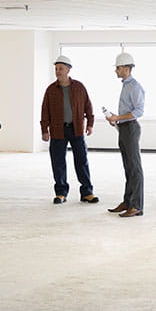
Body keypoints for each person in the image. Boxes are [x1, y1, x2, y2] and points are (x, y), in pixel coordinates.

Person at [40, 55, 99, 205]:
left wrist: (90, 124)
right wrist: (44, 130)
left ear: (68, 69)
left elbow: (88, 106)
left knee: (82, 161)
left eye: (60, 68)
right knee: (58, 162)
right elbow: (45, 110)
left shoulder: (79, 87)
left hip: (77, 129)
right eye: (56, 69)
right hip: (58, 130)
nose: (58, 71)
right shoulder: (51, 90)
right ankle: (61, 193)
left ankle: (87, 192)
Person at [105, 52, 145, 218]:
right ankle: (128, 202)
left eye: (118, 67)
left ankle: (136, 205)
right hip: (124, 127)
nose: (116, 70)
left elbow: (138, 111)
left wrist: (118, 118)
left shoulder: (135, 86)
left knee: (134, 168)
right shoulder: (126, 85)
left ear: (127, 68)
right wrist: (116, 119)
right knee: (128, 167)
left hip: (130, 128)